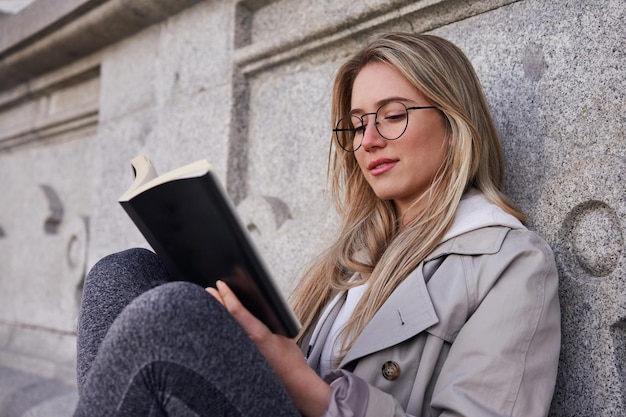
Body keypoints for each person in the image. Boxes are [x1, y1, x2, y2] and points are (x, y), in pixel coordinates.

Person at [74, 32, 561, 417]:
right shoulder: (356, 254)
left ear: (455, 126)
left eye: (392, 116)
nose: (368, 140)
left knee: (171, 313)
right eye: (357, 124)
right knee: (123, 273)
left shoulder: (511, 264)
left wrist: (300, 380)